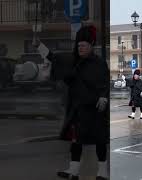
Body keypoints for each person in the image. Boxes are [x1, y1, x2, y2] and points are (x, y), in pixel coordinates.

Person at [34, 25, 109, 180]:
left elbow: (105, 83)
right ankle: (73, 171)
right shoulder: (72, 61)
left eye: (83, 45)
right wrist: (39, 46)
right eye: (79, 45)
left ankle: (102, 172)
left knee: (99, 141)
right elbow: (53, 58)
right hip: (78, 109)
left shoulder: (100, 63)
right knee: (76, 141)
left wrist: (104, 97)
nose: (80, 48)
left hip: (96, 109)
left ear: (91, 46)